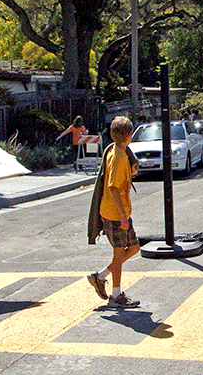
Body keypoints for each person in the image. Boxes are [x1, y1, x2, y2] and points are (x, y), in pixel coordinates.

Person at [86, 116, 142, 308]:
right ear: (129, 135)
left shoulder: (118, 151)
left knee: (134, 248)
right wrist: (122, 216)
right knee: (118, 255)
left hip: (120, 211)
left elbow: (119, 178)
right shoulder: (117, 156)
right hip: (115, 213)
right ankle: (116, 296)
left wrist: (132, 172)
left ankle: (100, 276)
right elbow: (113, 187)